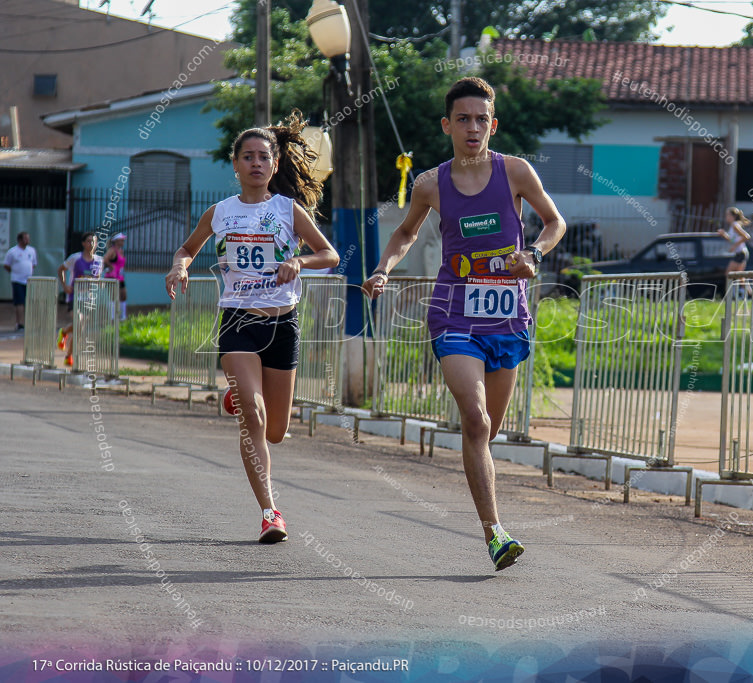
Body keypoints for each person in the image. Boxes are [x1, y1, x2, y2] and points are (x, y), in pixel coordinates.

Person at [361, 77, 566, 571]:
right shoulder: (430, 184)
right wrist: (383, 268)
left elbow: (555, 223)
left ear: (492, 125)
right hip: (453, 313)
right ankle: (495, 532)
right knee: (473, 420)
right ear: (447, 125)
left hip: (507, 317)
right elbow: (406, 233)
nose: (473, 128)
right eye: (463, 119)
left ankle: (478, 477)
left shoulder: (515, 172)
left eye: (481, 119)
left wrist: (533, 254)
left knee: (487, 431)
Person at [165, 114, 339, 544]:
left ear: (275, 165)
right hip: (238, 322)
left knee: (276, 430)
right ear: (236, 164)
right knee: (254, 416)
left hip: (282, 323)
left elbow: (330, 255)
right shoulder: (220, 212)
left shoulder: (287, 210)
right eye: (248, 157)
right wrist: (178, 267)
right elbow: (188, 248)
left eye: (264, 156)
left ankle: (240, 394)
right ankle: (270, 512)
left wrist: (299, 261)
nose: (256, 163)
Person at [56, 232, 103, 366]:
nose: (91, 244)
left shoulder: (98, 260)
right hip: (74, 297)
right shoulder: (75, 258)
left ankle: (65, 339)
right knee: (79, 322)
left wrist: (98, 282)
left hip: (88, 298)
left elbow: (97, 278)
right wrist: (65, 286)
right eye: (88, 241)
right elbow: (61, 269)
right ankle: (68, 350)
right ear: (83, 243)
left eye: (94, 242)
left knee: (80, 328)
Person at [3, 231, 37, 330]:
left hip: (29, 280)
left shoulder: (32, 251)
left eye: (28, 238)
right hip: (17, 280)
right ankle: (19, 322)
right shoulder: (13, 252)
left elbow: (34, 264)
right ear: (20, 240)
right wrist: (15, 272)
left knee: (29, 302)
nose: (27, 240)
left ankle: (29, 322)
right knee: (19, 302)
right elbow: (6, 265)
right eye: (25, 238)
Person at [718, 207, 752, 296]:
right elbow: (732, 240)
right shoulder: (733, 226)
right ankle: (751, 294)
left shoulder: (735, 225)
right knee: (740, 276)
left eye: (727, 215)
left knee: (728, 273)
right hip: (740, 253)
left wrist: (734, 246)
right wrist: (724, 234)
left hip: (741, 253)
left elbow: (746, 236)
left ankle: (728, 295)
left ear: (732, 216)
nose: (726, 217)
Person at [103, 232, 128, 320]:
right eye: (121, 240)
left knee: (123, 295)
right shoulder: (112, 250)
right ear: (116, 241)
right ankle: (112, 317)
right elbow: (105, 259)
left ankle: (123, 317)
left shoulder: (121, 251)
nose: (123, 241)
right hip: (112, 277)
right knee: (113, 297)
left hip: (120, 278)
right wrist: (110, 266)